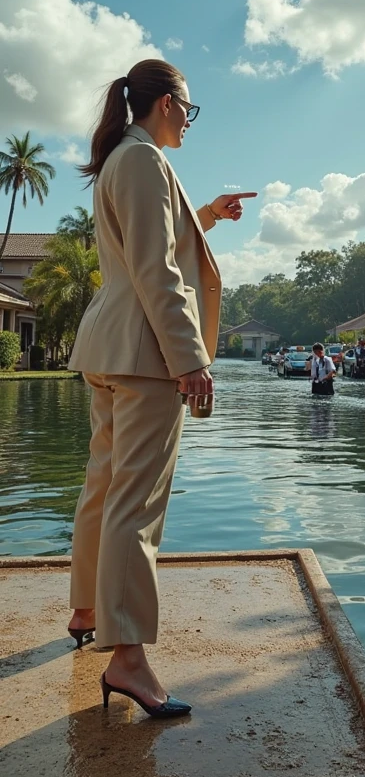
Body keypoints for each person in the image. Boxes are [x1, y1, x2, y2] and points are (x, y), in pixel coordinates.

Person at [67, 59, 256, 719]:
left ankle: (86, 608)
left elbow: (155, 244)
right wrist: (190, 358)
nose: (190, 122)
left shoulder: (123, 158)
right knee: (137, 503)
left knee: (105, 484)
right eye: (189, 109)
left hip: (111, 346)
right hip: (146, 352)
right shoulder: (144, 160)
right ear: (169, 104)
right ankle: (126, 658)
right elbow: (157, 270)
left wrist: (206, 215)